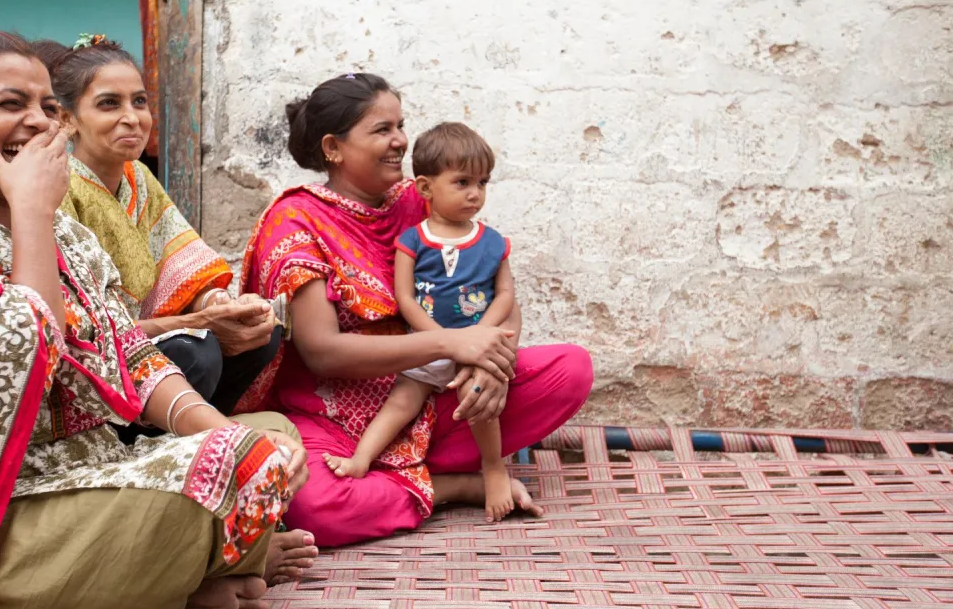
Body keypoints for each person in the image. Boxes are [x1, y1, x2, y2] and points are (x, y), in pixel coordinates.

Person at [0, 31, 312, 609]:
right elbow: (20, 353)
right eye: (9, 104)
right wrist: (33, 212)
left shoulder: (67, 235)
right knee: (206, 479)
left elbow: (128, 354)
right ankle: (187, 577)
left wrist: (225, 431)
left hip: (87, 479)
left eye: (47, 108)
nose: (37, 123)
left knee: (269, 439)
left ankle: (181, 576)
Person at [235, 73, 594, 547]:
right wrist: (450, 342)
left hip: (432, 395)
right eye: (381, 130)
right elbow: (322, 352)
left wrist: (491, 363)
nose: (400, 141)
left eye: (400, 125)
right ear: (333, 147)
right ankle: (453, 485)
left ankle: (399, 475)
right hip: (331, 419)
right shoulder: (295, 221)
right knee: (312, 506)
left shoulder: (418, 199)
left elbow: (497, 293)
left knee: (571, 369)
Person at [39, 35, 281, 417]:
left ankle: (201, 423)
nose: (132, 117)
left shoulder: (139, 178)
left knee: (262, 335)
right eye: (108, 104)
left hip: (146, 334)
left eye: (139, 101)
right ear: (68, 119)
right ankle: (147, 433)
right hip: (97, 354)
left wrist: (222, 306)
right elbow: (84, 327)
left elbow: (183, 269)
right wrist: (201, 321)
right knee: (193, 352)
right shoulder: (59, 185)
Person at [322, 121, 518, 523]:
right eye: (462, 182)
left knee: (481, 404)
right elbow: (406, 300)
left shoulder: (492, 241)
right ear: (426, 188)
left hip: (478, 348)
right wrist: (444, 341)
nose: (474, 194)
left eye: (482, 183)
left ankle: (493, 468)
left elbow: (505, 295)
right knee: (401, 401)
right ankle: (362, 459)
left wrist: (479, 340)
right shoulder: (412, 240)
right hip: (425, 345)